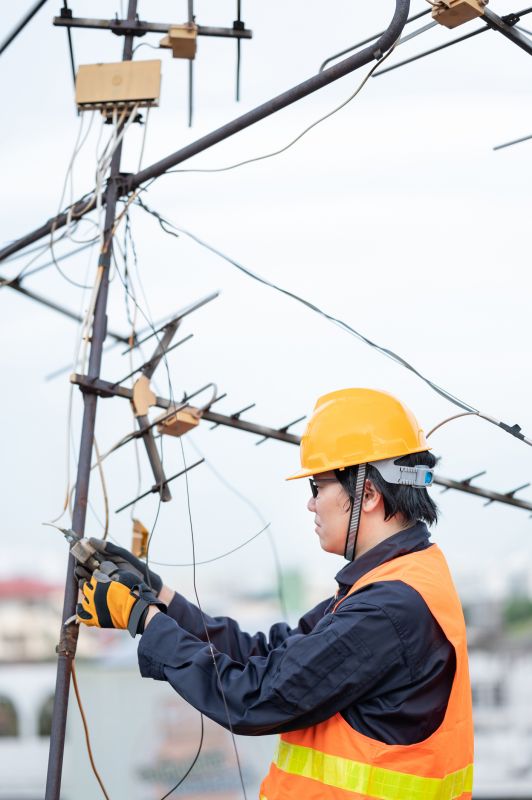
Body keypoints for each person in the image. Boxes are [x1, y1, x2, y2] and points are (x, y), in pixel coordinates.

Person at [76, 388, 474, 799]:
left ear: (368, 494)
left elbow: (253, 697)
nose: (311, 504)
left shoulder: (388, 609)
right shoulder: (393, 582)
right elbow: (264, 655)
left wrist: (144, 620)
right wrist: (158, 595)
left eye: (319, 486)